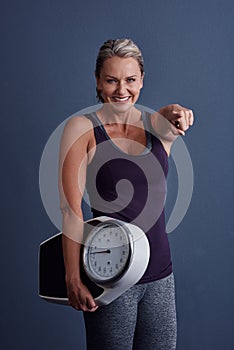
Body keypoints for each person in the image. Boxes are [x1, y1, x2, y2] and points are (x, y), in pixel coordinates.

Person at [59, 38, 194, 350]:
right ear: (97, 80)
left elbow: (174, 116)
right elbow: (70, 209)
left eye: (131, 80)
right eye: (111, 80)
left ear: (142, 80)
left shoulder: (157, 127)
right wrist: (73, 278)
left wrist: (181, 113)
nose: (122, 90)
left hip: (161, 277)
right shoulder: (82, 128)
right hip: (109, 278)